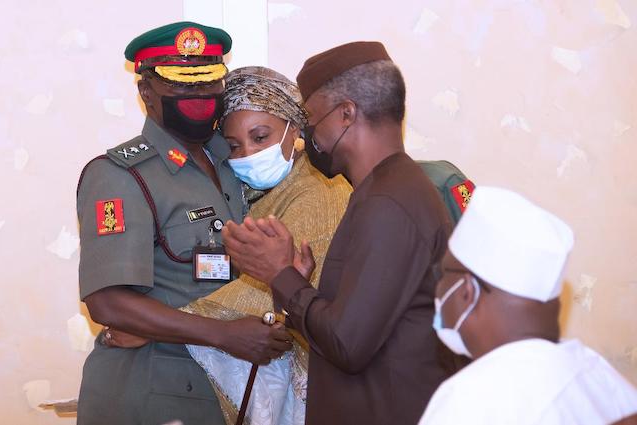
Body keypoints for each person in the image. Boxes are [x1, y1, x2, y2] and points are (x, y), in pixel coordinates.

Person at [221, 42, 454, 425]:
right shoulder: (384, 190)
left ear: (346, 114)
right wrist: (294, 283)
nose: (307, 135)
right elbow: (349, 328)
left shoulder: (389, 201)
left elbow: (348, 345)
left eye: (311, 119)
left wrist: (280, 274)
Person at [76, 22, 292, 425]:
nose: (200, 97)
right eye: (182, 84)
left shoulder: (233, 160)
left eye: (208, 82)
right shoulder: (121, 176)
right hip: (156, 393)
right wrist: (223, 334)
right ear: (146, 92)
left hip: (234, 389)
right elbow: (107, 301)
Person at [181, 66, 351, 424]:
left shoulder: (320, 193)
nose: (248, 153)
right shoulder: (253, 195)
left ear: (294, 130)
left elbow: (265, 290)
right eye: (234, 145)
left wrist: (156, 327)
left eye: (260, 137)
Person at [419, 186, 637, 425]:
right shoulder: (600, 377)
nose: (439, 286)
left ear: (466, 291)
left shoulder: (471, 402)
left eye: (444, 272)